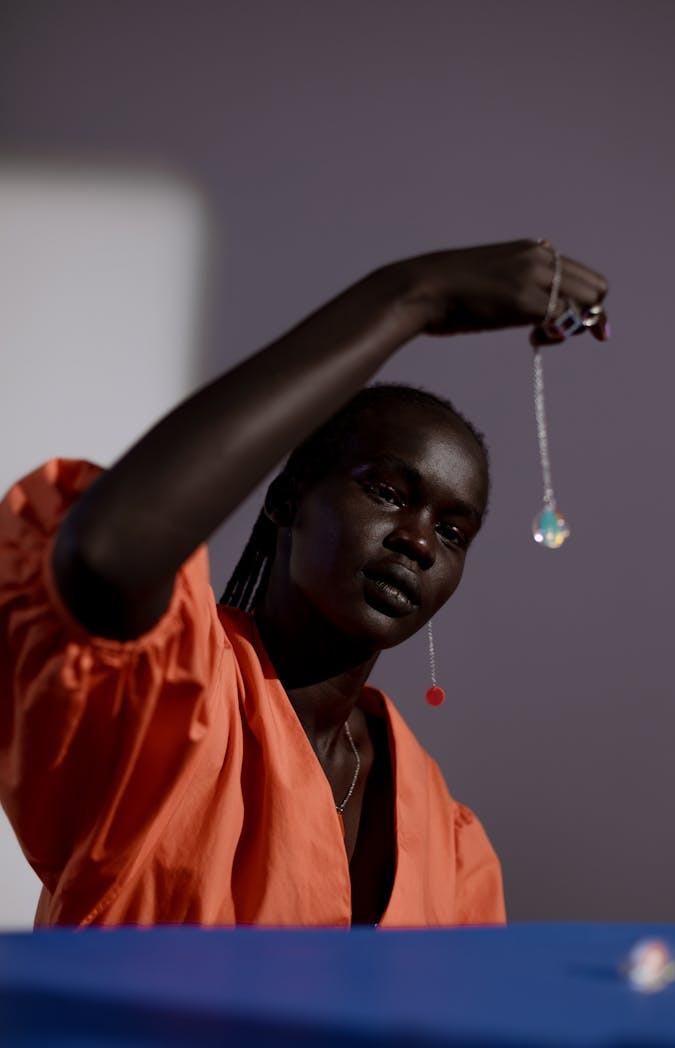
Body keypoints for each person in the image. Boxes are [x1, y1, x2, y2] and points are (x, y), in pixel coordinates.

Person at [0, 239, 608, 928]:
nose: (416, 540)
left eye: (452, 532)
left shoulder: (451, 844)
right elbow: (106, 550)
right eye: (384, 490)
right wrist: (412, 294)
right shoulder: (169, 703)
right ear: (287, 499)